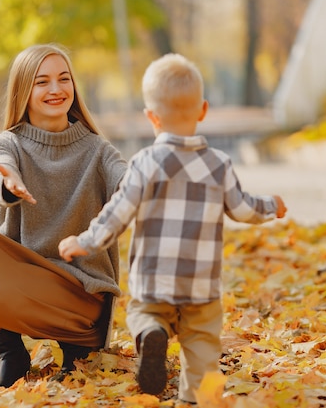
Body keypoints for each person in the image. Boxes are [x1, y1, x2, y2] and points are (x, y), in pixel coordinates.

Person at [58, 53, 287, 402]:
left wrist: (85, 241)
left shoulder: (145, 163)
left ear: (152, 117)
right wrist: (271, 205)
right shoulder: (218, 165)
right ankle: (199, 399)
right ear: (203, 110)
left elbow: (117, 213)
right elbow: (242, 210)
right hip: (201, 289)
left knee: (143, 315)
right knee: (204, 355)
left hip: (154, 284)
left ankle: (152, 332)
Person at [0, 43, 127, 388]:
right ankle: (11, 354)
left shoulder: (99, 151)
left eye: (64, 79)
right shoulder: (8, 144)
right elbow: (0, 169)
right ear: (23, 91)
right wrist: (9, 182)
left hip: (81, 296)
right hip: (25, 281)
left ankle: (78, 350)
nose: (56, 90)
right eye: (42, 82)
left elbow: (128, 180)